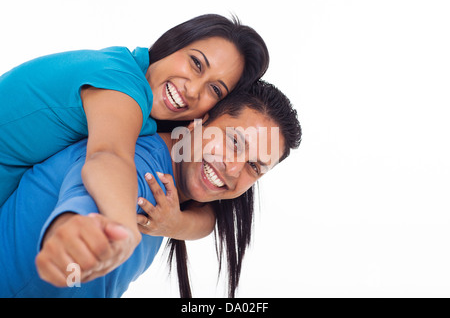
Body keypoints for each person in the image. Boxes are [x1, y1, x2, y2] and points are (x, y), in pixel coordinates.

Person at [0, 81, 301, 298]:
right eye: (234, 142)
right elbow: (96, 192)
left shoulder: (173, 204)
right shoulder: (142, 165)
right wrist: (78, 228)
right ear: (200, 122)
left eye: (254, 167)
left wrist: (179, 223)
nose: (233, 169)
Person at [0, 14, 269, 248]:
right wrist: (121, 228)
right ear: (173, 42)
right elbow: (108, 156)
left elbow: (208, 214)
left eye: (215, 89)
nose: (193, 89)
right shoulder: (122, 87)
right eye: (196, 63)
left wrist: (177, 224)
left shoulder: (152, 113)